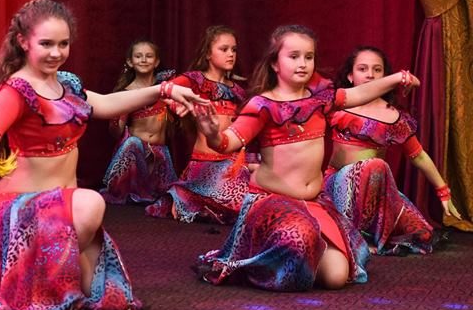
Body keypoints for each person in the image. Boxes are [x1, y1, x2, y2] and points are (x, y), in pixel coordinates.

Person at [0, 0, 207, 310]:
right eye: (46, 44)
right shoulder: (16, 91)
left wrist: (164, 90)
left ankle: (32, 275)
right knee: (92, 203)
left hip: (64, 211)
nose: (56, 53)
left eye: (63, 44)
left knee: (96, 296)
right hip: (25, 211)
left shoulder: (67, 84)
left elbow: (106, 104)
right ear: (23, 42)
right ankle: (26, 272)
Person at [193, 25, 417, 291]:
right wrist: (212, 134)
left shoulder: (321, 100)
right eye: (294, 56)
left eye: (308, 57)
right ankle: (263, 254)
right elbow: (228, 142)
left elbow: (358, 94)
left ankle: (301, 253)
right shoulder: (263, 105)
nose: (302, 63)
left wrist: (397, 78)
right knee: (302, 237)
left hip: (312, 202)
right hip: (272, 201)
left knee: (336, 277)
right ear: (275, 63)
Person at [323, 46, 462, 255]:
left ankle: (369, 232)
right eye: (362, 69)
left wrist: (443, 191)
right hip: (335, 187)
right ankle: (352, 237)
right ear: (350, 76)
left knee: (422, 234)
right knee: (375, 165)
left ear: (385, 77)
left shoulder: (394, 117)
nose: (370, 75)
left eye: (377, 70)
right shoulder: (337, 106)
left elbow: (418, 155)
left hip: (376, 192)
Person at [164, 26, 250, 224]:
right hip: (205, 162)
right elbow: (164, 91)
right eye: (224, 49)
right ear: (208, 54)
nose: (231, 54)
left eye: (234, 50)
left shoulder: (238, 91)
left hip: (233, 163)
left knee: (251, 198)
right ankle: (189, 195)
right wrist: (177, 105)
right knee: (238, 201)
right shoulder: (195, 80)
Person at [99, 39, 177, 213]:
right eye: (138, 56)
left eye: (149, 56)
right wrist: (117, 114)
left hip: (159, 153)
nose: (143, 60)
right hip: (136, 153)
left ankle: (149, 189)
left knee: (164, 192)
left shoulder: (165, 87)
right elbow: (116, 133)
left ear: (156, 61)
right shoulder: (126, 92)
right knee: (132, 142)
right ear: (130, 62)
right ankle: (129, 188)